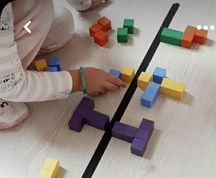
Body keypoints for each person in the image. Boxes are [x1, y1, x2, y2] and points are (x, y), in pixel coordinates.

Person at [0, 0, 126, 129]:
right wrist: (80, 80)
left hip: (17, 16)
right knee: (10, 85)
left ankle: (9, 61)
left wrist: (83, 2)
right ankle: (7, 73)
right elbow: (13, 85)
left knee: (62, 24)